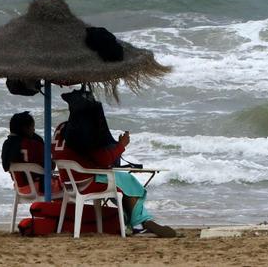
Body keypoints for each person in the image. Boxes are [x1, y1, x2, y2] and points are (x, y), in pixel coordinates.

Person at [52, 88, 176, 238]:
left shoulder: (61, 127)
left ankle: (137, 222)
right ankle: (139, 223)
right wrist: (121, 145)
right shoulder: (83, 131)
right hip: (87, 180)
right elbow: (103, 159)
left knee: (121, 182)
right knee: (129, 181)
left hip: (69, 181)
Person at [0, 111, 60, 196]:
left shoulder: (7, 145)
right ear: (25, 128)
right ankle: (63, 208)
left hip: (19, 188)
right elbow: (50, 167)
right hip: (41, 188)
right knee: (68, 184)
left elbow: (6, 167)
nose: (34, 130)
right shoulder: (33, 145)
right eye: (32, 127)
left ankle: (50, 208)